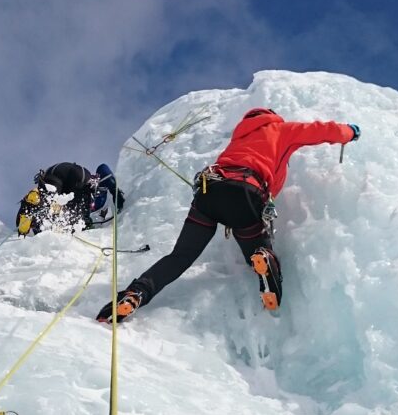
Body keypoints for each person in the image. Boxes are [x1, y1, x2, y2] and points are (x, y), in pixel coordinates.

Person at [96, 107, 359, 322]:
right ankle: (263, 258)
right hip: (246, 193)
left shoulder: (239, 138)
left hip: (210, 192)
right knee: (256, 250)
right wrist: (349, 132)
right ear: (271, 116)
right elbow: (320, 131)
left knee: (180, 257)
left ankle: (136, 293)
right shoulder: (281, 129)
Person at [16, 162, 125, 236]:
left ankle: (33, 210)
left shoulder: (97, 197)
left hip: (63, 179)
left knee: (64, 213)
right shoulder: (98, 196)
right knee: (72, 214)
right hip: (79, 179)